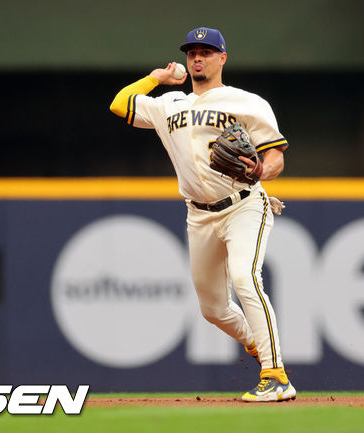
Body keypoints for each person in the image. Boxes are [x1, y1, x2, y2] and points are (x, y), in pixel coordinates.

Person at [110, 27, 294, 402]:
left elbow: (275, 157)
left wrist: (261, 171)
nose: (198, 57)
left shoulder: (247, 102)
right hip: (199, 216)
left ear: (222, 58)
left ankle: (276, 376)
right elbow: (120, 103)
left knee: (246, 278)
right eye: (193, 51)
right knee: (212, 308)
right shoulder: (168, 105)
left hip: (244, 204)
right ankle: (257, 344)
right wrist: (157, 78)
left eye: (207, 51)